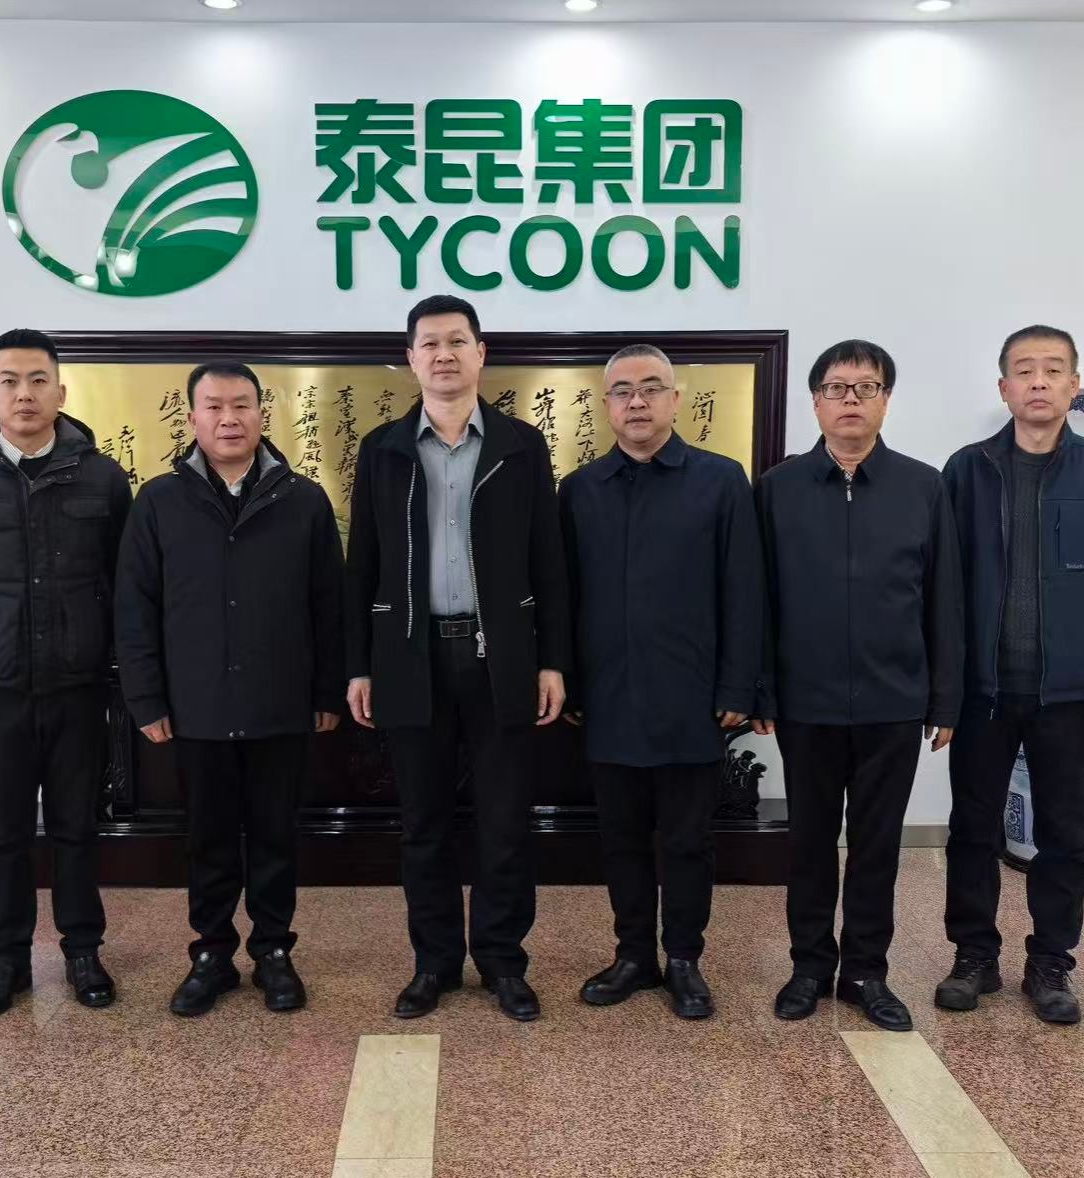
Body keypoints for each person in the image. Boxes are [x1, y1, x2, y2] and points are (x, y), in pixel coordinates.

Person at [344, 295, 570, 1022]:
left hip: (501, 659)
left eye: (457, 341)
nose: (443, 354)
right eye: (429, 343)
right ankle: (434, 963)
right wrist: (359, 666)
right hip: (410, 658)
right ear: (410, 359)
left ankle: (502, 961)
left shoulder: (520, 445)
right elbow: (362, 562)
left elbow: (549, 560)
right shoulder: (382, 449)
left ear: (481, 353)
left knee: (505, 821)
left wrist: (552, 660)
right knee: (424, 823)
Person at [936, 325, 1084, 1025]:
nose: (1038, 382)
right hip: (984, 692)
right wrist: (943, 687)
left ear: (1073, 385)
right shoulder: (966, 471)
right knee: (972, 827)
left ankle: (1051, 961)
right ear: (1003, 388)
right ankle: (974, 955)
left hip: (1070, 693)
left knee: (1063, 833)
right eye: (1024, 370)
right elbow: (942, 587)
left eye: (1052, 370)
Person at [116, 362, 344, 1017]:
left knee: (275, 836)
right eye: (214, 406)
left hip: (281, 702)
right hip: (196, 705)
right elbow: (134, 607)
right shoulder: (159, 500)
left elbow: (330, 605)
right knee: (208, 839)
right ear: (192, 418)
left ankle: (273, 951)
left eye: (241, 405)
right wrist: (146, 698)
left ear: (262, 414)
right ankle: (212, 954)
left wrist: (327, 691)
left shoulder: (303, 500)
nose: (229, 418)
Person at [753, 339, 963, 1032]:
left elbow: (945, 599)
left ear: (885, 401)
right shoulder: (778, 488)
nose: (851, 399)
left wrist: (945, 699)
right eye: (837, 388)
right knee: (809, 842)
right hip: (806, 701)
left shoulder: (923, 487)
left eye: (866, 387)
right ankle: (810, 966)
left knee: (877, 846)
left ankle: (867, 971)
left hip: (893, 702)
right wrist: (761, 690)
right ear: (815, 402)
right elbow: (759, 599)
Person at [0, 328, 130, 1021]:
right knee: (4, 831)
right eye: (9, 381)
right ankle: (7, 959)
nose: (24, 394)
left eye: (38, 380)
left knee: (76, 826)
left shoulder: (102, 477)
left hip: (78, 684)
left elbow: (119, 575)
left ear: (61, 391)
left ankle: (82, 950)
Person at [559, 343, 762, 1020]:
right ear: (606, 405)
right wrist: (572, 684)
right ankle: (633, 955)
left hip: (692, 698)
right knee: (619, 838)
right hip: (608, 697)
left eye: (651, 388)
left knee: (686, 840)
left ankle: (683, 959)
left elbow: (744, 591)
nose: (637, 401)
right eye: (623, 391)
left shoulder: (720, 481)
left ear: (676, 400)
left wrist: (737, 688)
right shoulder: (581, 489)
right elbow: (565, 597)